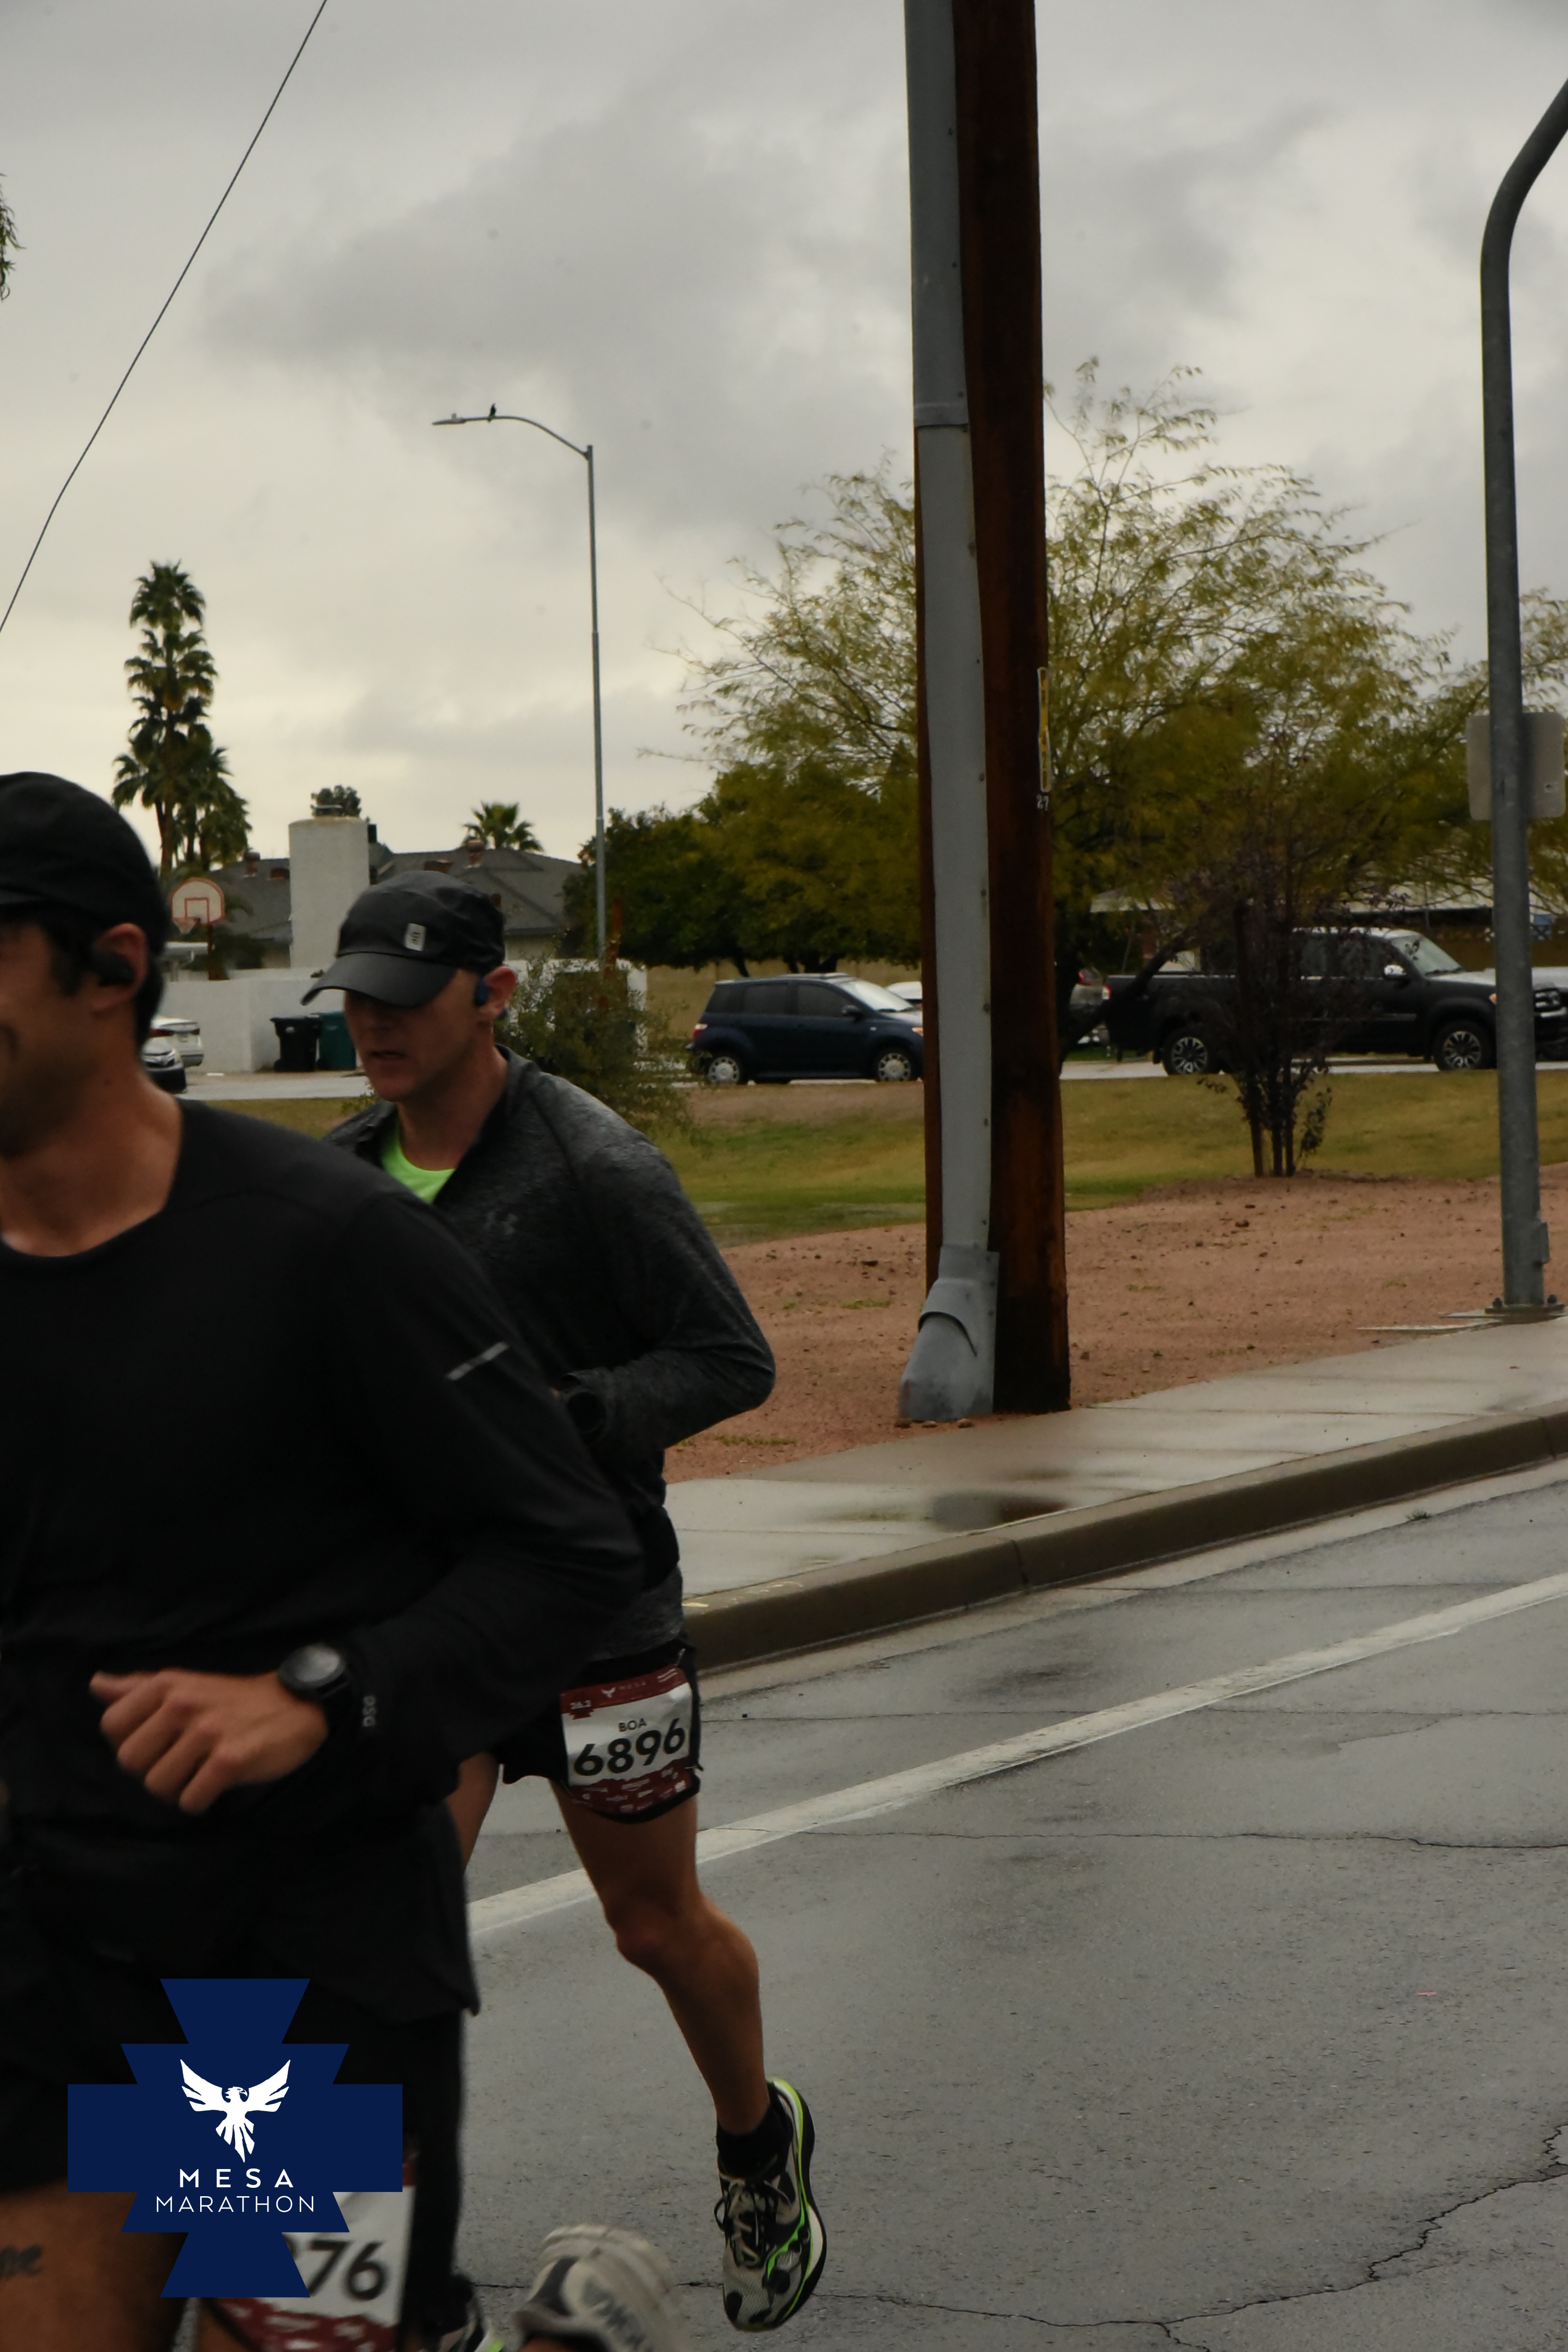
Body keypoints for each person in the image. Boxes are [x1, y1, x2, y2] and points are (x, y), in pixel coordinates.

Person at [0, 775, 648, 2352]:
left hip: (276, 1976)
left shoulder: (321, 1245)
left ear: (112, 968)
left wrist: (322, 1695)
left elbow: (566, 1550)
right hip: (47, 1960)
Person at [315, 876, 827, 2334]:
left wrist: (572, 1416)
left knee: (654, 1927)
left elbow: (731, 1358)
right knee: (386, 1933)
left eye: (403, 1000)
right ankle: (355, 2280)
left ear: (492, 996)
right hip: (433, 1628)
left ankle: (757, 2141)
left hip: (600, 1618)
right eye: (355, 1000)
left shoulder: (596, 1165)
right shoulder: (340, 1178)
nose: (373, 1027)